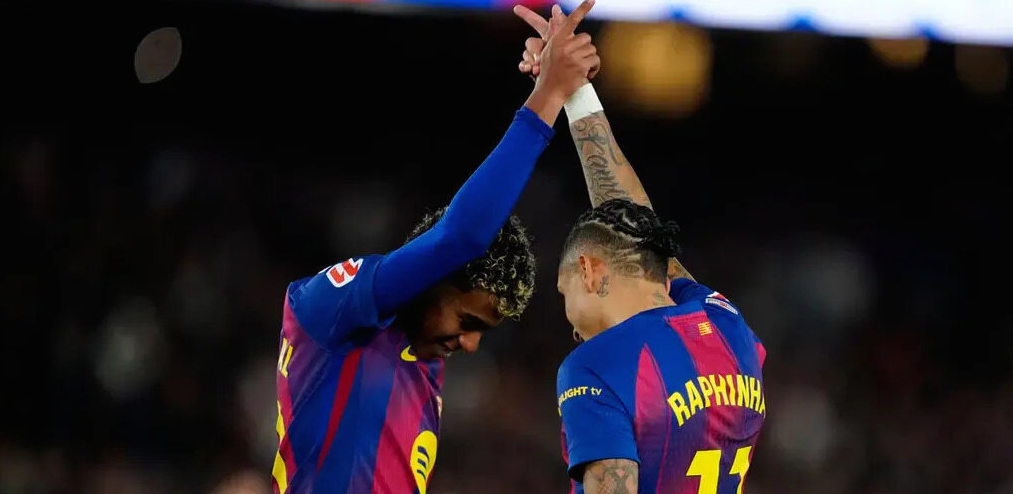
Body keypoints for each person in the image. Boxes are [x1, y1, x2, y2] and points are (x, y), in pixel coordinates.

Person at [271, 3, 600, 493]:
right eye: (467, 321)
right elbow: (463, 235)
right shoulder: (334, 309)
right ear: (436, 276)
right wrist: (549, 95)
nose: (469, 345)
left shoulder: (424, 364)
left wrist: (574, 92)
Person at [514, 5, 767, 493]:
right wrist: (574, 91)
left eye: (565, 295)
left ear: (589, 270)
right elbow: (636, 228)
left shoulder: (595, 367)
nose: (572, 328)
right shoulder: (728, 326)